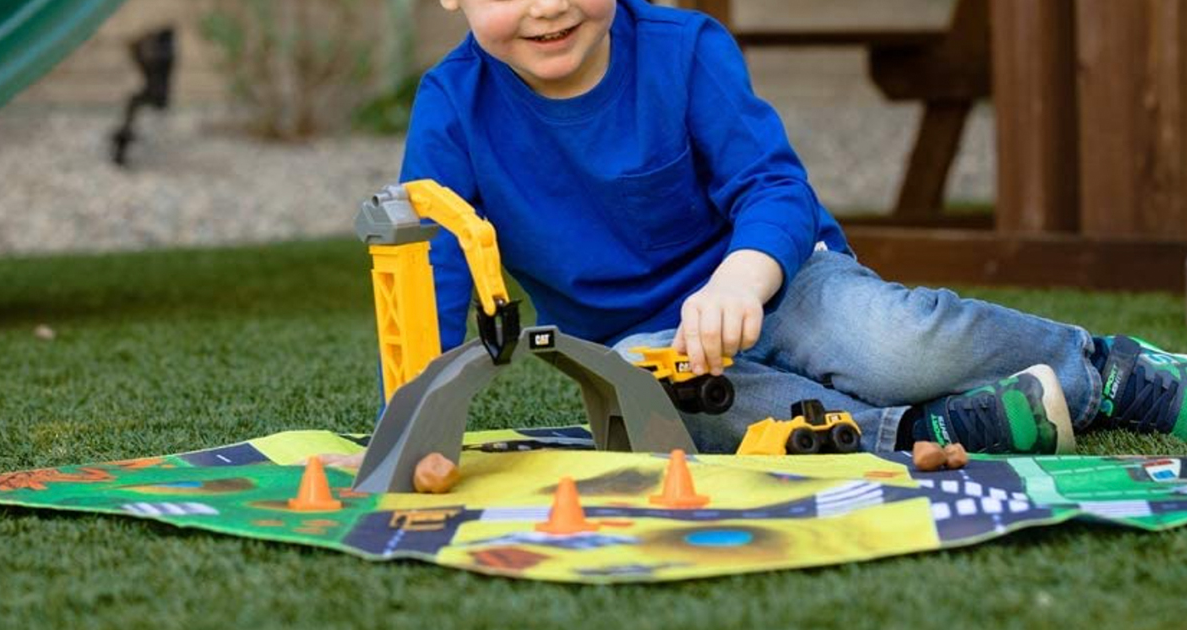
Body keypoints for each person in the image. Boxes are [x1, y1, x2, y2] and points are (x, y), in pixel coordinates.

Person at [396, 0, 1187, 455]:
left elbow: (774, 186)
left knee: (896, 346)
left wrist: (744, 274)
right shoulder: (451, 109)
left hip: (785, 283)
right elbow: (436, 263)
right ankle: (924, 432)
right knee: (675, 421)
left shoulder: (684, 50)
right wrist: (413, 426)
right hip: (644, 344)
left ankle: (1106, 369)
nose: (547, 5)